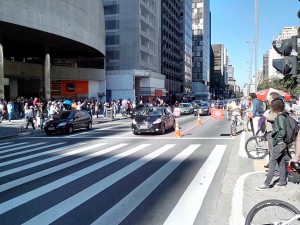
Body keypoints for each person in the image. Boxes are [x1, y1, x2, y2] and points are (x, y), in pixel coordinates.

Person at [256, 99, 287, 190]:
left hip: (279, 143)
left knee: (272, 162)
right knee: (281, 162)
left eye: (272, 106)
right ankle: (282, 181)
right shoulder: (282, 115)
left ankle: (266, 184)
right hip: (282, 143)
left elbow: (283, 131)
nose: (271, 107)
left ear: (276, 107)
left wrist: (276, 139)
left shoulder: (280, 117)